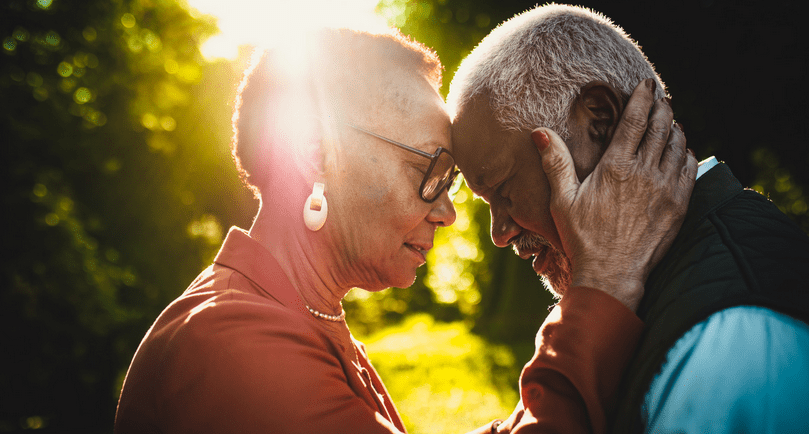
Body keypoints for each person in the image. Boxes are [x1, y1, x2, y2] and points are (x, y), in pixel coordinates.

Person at [114, 27, 693, 434]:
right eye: (429, 171)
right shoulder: (229, 345)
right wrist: (604, 285)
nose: (448, 213)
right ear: (316, 156)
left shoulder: (294, 318)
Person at [447, 4, 809, 433]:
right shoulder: (661, 297)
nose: (500, 234)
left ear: (599, 121)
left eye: (503, 191)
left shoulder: (732, 342)